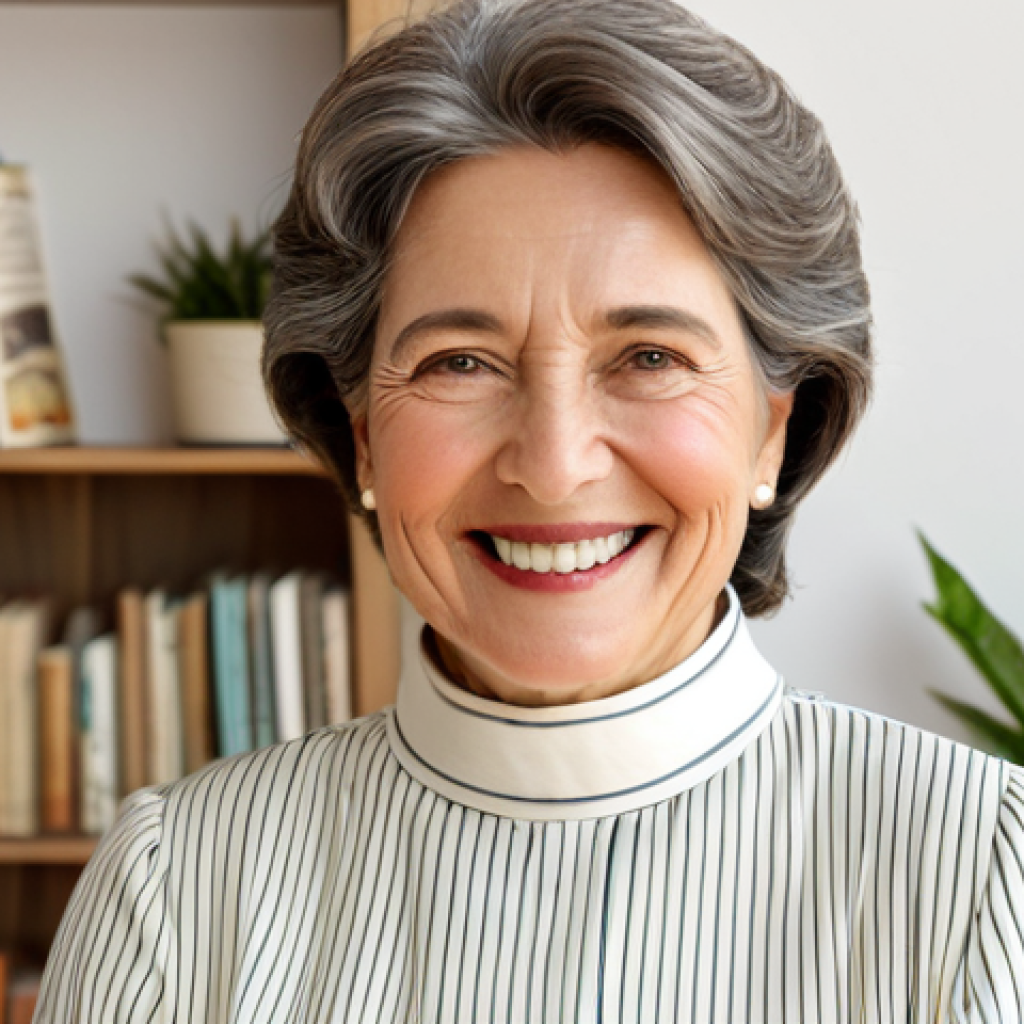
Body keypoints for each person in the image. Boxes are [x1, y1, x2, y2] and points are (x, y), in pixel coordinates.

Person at [36, 0, 1024, 1020]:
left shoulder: (985, 873)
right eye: (459, 362)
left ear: (774, 427)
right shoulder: (177, 893)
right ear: (363, 432)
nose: (552, 467)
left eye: (649, 357)